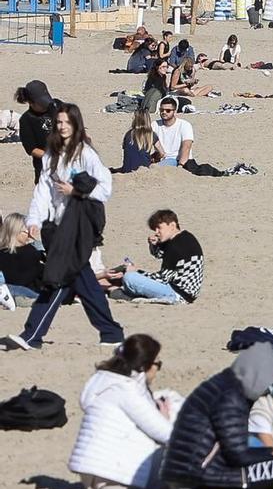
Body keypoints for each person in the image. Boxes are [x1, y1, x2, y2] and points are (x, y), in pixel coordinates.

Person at [5, 103, 122, 351]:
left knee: (56, 278)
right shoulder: (51, 155)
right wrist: (34, 220)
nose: (62, 127)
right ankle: (111, 332)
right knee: (82, 281)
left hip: (78, 225)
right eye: (59, 122)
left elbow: (105, 187)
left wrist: (76, 190)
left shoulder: (85, 154)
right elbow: (43, 192)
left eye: (67, 123)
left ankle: (32, 335)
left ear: (76, 125)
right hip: (56, 226)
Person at [161, 345, 273, 489]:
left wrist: (272, 450)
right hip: (194, 483)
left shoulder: (221, 385)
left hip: (184, 476)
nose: (266, 393)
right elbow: (238, 455)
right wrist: (271, 454)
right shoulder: (231, 399)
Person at [69, 334, 178, 489]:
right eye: (157, 364)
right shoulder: (126, 390)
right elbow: (164, 433)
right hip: (115, 479)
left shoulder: (103, 382)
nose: (158, 369)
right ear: (144, 365)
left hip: (91, 475)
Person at [106, 209, 205, 304]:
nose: (156, 232)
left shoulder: (180, 245)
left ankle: (124, 294)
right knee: (126, 273)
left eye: (159, 228)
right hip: (179, 290)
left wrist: (137, 272)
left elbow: (163, 277)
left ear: (172, 225)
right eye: (155, 229)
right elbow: (160, 255)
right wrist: (154, 244)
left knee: (129, 277)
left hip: (177, 293)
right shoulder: (182, 239)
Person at [14, 79, 62, 183]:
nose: (46, 105)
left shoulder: (57, 105)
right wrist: (53, 157)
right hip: (45, 171)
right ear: (30, 103)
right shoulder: (26, 119)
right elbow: (32, 149)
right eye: (41, 103)